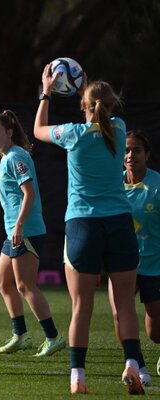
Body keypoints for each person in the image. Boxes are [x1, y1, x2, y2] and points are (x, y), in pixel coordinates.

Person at [34, 65, 143, 395]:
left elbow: (38, 129)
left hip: (82, 225)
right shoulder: (121, 129)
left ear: (82, 105)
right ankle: (131, 364)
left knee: (81, 307)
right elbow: (102, 114)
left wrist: (47, 91)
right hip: (119, 224)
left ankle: (78, 377)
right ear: (113, 107)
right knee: (125, 304)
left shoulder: (72, 134)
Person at [0, 110, 65, 357]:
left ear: (9, 132)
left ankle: (53, 337)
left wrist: (19, 225)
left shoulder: (15, 157)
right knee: (2, 282)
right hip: (14, 231)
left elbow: (29, 193)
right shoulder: (5, 157)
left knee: (25, 285)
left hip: (26, 230)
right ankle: (21, 335)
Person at [107, 131, 160, 386]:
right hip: (121, 263)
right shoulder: (111, 185)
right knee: (119, 314)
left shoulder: (157, 185)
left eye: (136, 150)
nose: (130, 155)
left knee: (155, 331)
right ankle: (138, 366)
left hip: (154, 264)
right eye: (126, 150)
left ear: (146, 154)